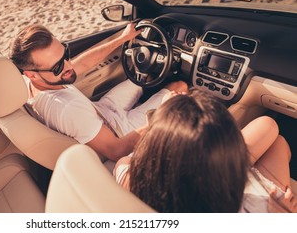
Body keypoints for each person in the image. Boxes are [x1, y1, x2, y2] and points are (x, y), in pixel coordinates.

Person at [9, 23, 188, 161]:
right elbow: (116, 151)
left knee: (145, 77)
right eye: (57, 67)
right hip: (119, 131)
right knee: (180, 87)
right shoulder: (68, 109)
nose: (68, 66)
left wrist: (122, 39)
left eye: (65, 55)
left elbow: (83, 64)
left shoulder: (26, 84)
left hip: (101, 110)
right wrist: (163, 112)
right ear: (32, 74)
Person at [114, 89, 297, 213]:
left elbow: (123, 162)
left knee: (268, 126)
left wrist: (167, 122)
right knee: (279, 142)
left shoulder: (131, 181)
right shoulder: (265, 209)